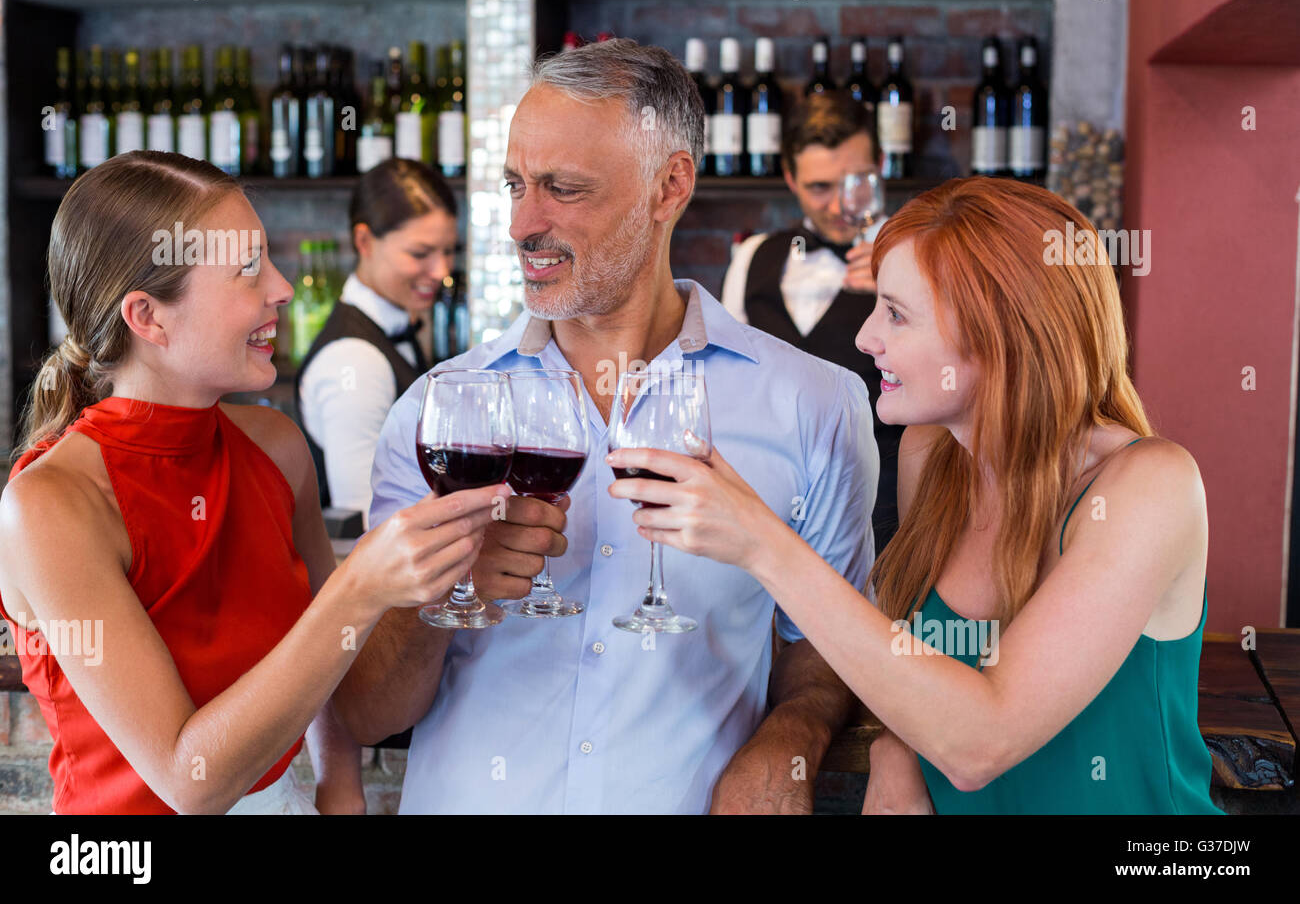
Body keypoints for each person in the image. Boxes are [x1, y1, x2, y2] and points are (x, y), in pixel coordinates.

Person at [333, 39, 880, 814]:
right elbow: (366, 712)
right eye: (516, 184)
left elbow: (821, 649)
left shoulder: (814, 405)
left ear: (669, 187)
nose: (524, 224)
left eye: (563, 188)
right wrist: (447, 589)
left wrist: (791, 737)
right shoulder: (438, 410)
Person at [607, 176, 1223, 814]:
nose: (865, 338)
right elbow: (915, 676)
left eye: (896, 314)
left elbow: (982, 741)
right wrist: (894, 746)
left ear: (1001, 334)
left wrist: (763, 544)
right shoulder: (934, 455)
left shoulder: (1151, 486)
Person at [0, 151, 505, 814]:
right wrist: (359, 589)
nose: (283, 288)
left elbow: (336, 682)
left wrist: (339, 787)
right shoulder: (49, 504)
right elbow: (190, 781)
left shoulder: (276, 449)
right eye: (247, 270)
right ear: (149, 317)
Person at [721, 91, 905, 552]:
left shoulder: (921, 256)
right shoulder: (751, 258)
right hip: (771, 512)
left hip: (889, 506)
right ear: (790, 178)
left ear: (881, 165)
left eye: (856, 181)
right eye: (821, 187)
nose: (842, 204)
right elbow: (730, 390)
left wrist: (899, 297)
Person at [297, 158, 459, 528]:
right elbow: (368, 520)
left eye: (448, 251)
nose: (442, 272)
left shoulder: (397, 328)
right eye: (420, 254)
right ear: (364, 241)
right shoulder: (353, 361)